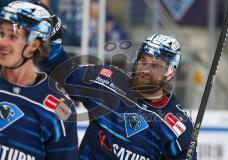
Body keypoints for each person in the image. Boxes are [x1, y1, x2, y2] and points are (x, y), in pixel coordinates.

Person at [40, 32, 197, 159]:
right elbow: (65, 73)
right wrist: (48, 35)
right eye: (143, 61)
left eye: (155, 65)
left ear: (170, 72)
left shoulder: (178, 126)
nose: (145, 69)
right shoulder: (108, 81)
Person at [0, 1, 79, 160]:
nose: (2, 42)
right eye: (1, 33)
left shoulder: (60, 109)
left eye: (13, 36)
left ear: (34, 44)